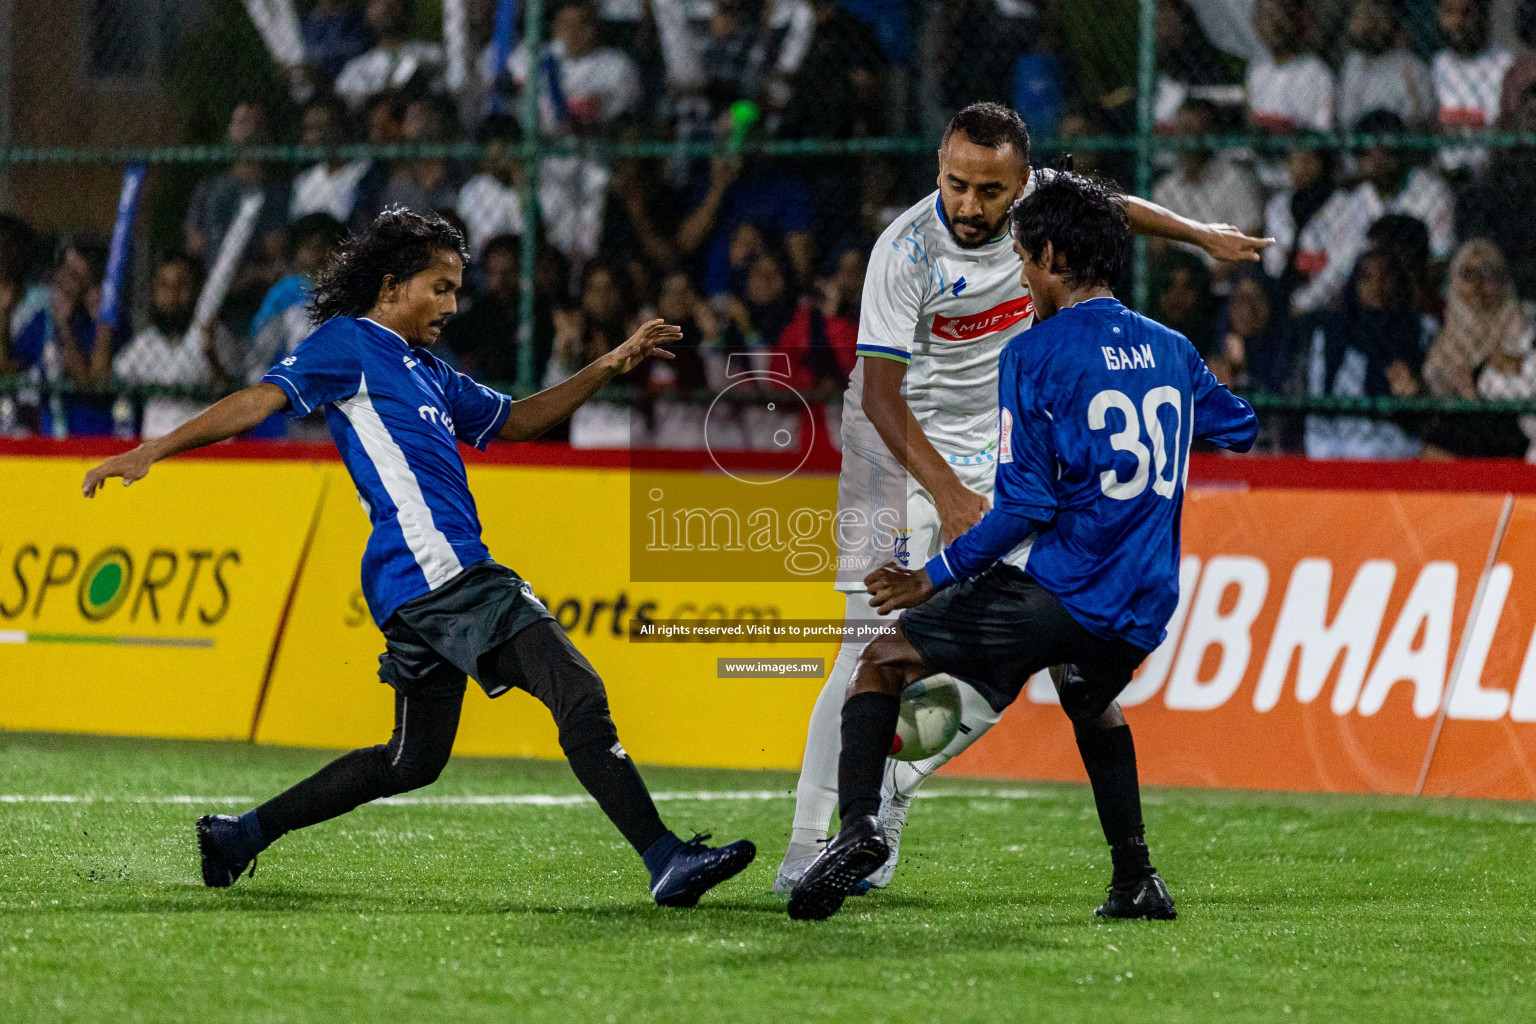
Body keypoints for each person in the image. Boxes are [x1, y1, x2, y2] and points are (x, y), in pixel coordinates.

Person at [79, 208, 756, 905]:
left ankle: (237, 837)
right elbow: (259, 401)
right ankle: (664, 857)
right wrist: (153, 450)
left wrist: (609, 363)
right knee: (577, 691)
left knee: (413, 760)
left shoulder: (431, 371)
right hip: (444, 570)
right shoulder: (348, 343)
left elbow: (517, 421)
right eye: (440, 287)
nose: (452, 304)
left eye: (457, 289)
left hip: (415, 584)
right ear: (393, 284)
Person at [773, 102, 1272, 896]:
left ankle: (890, 803)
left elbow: (1111, 211)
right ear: (939, 168)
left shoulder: (1042, 215)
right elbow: (877, 391)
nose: (970, 206)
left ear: (1022, 187)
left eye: (989, 192)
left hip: (1000, 436)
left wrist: (1200, 235)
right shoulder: (903, 251)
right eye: (955, 185)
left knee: (1002, 650)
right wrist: (950, 495)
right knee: (863, 644)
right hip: (895, 445)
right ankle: (806, 845)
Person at [1291, 109, 1455, 315]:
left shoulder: (1431, 191)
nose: (1378, 162)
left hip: (1415, 299)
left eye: (1386, 152)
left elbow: (1438, 263)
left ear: (1402, 152)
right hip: (1360, 299)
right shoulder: (1354, 201)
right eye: (1369, 154)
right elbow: (1339, 268)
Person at [1303, 246, 1426, 459]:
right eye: (1367, 278)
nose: (1376, 286)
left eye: (1385, 276)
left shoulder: (1418, 331)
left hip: (1397, 447)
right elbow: (1317, 399)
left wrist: (1413, 392)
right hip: (1335, 444)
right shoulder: (1330, 335)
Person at [1433, 0, 1513, 176]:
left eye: (1467, 13)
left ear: (1482, 16)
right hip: (1446, 171)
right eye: (1450, 13)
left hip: (1491, 173)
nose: (1458, 22)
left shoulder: (1505, 64)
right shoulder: (1440, 63)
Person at [1338, 0, 1436, 131]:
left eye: (1378, 17)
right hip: (1358, 147)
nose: (1370, 26)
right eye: (1363, 17)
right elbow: (1346, 121)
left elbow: (1421, 123)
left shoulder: (1411, 66)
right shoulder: (1351, 66)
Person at [334, 0, 445, 111]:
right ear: (368, 13)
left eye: (393, 3)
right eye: (377, 3)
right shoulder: (355, 69)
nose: (386, 8)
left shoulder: (433, 55)